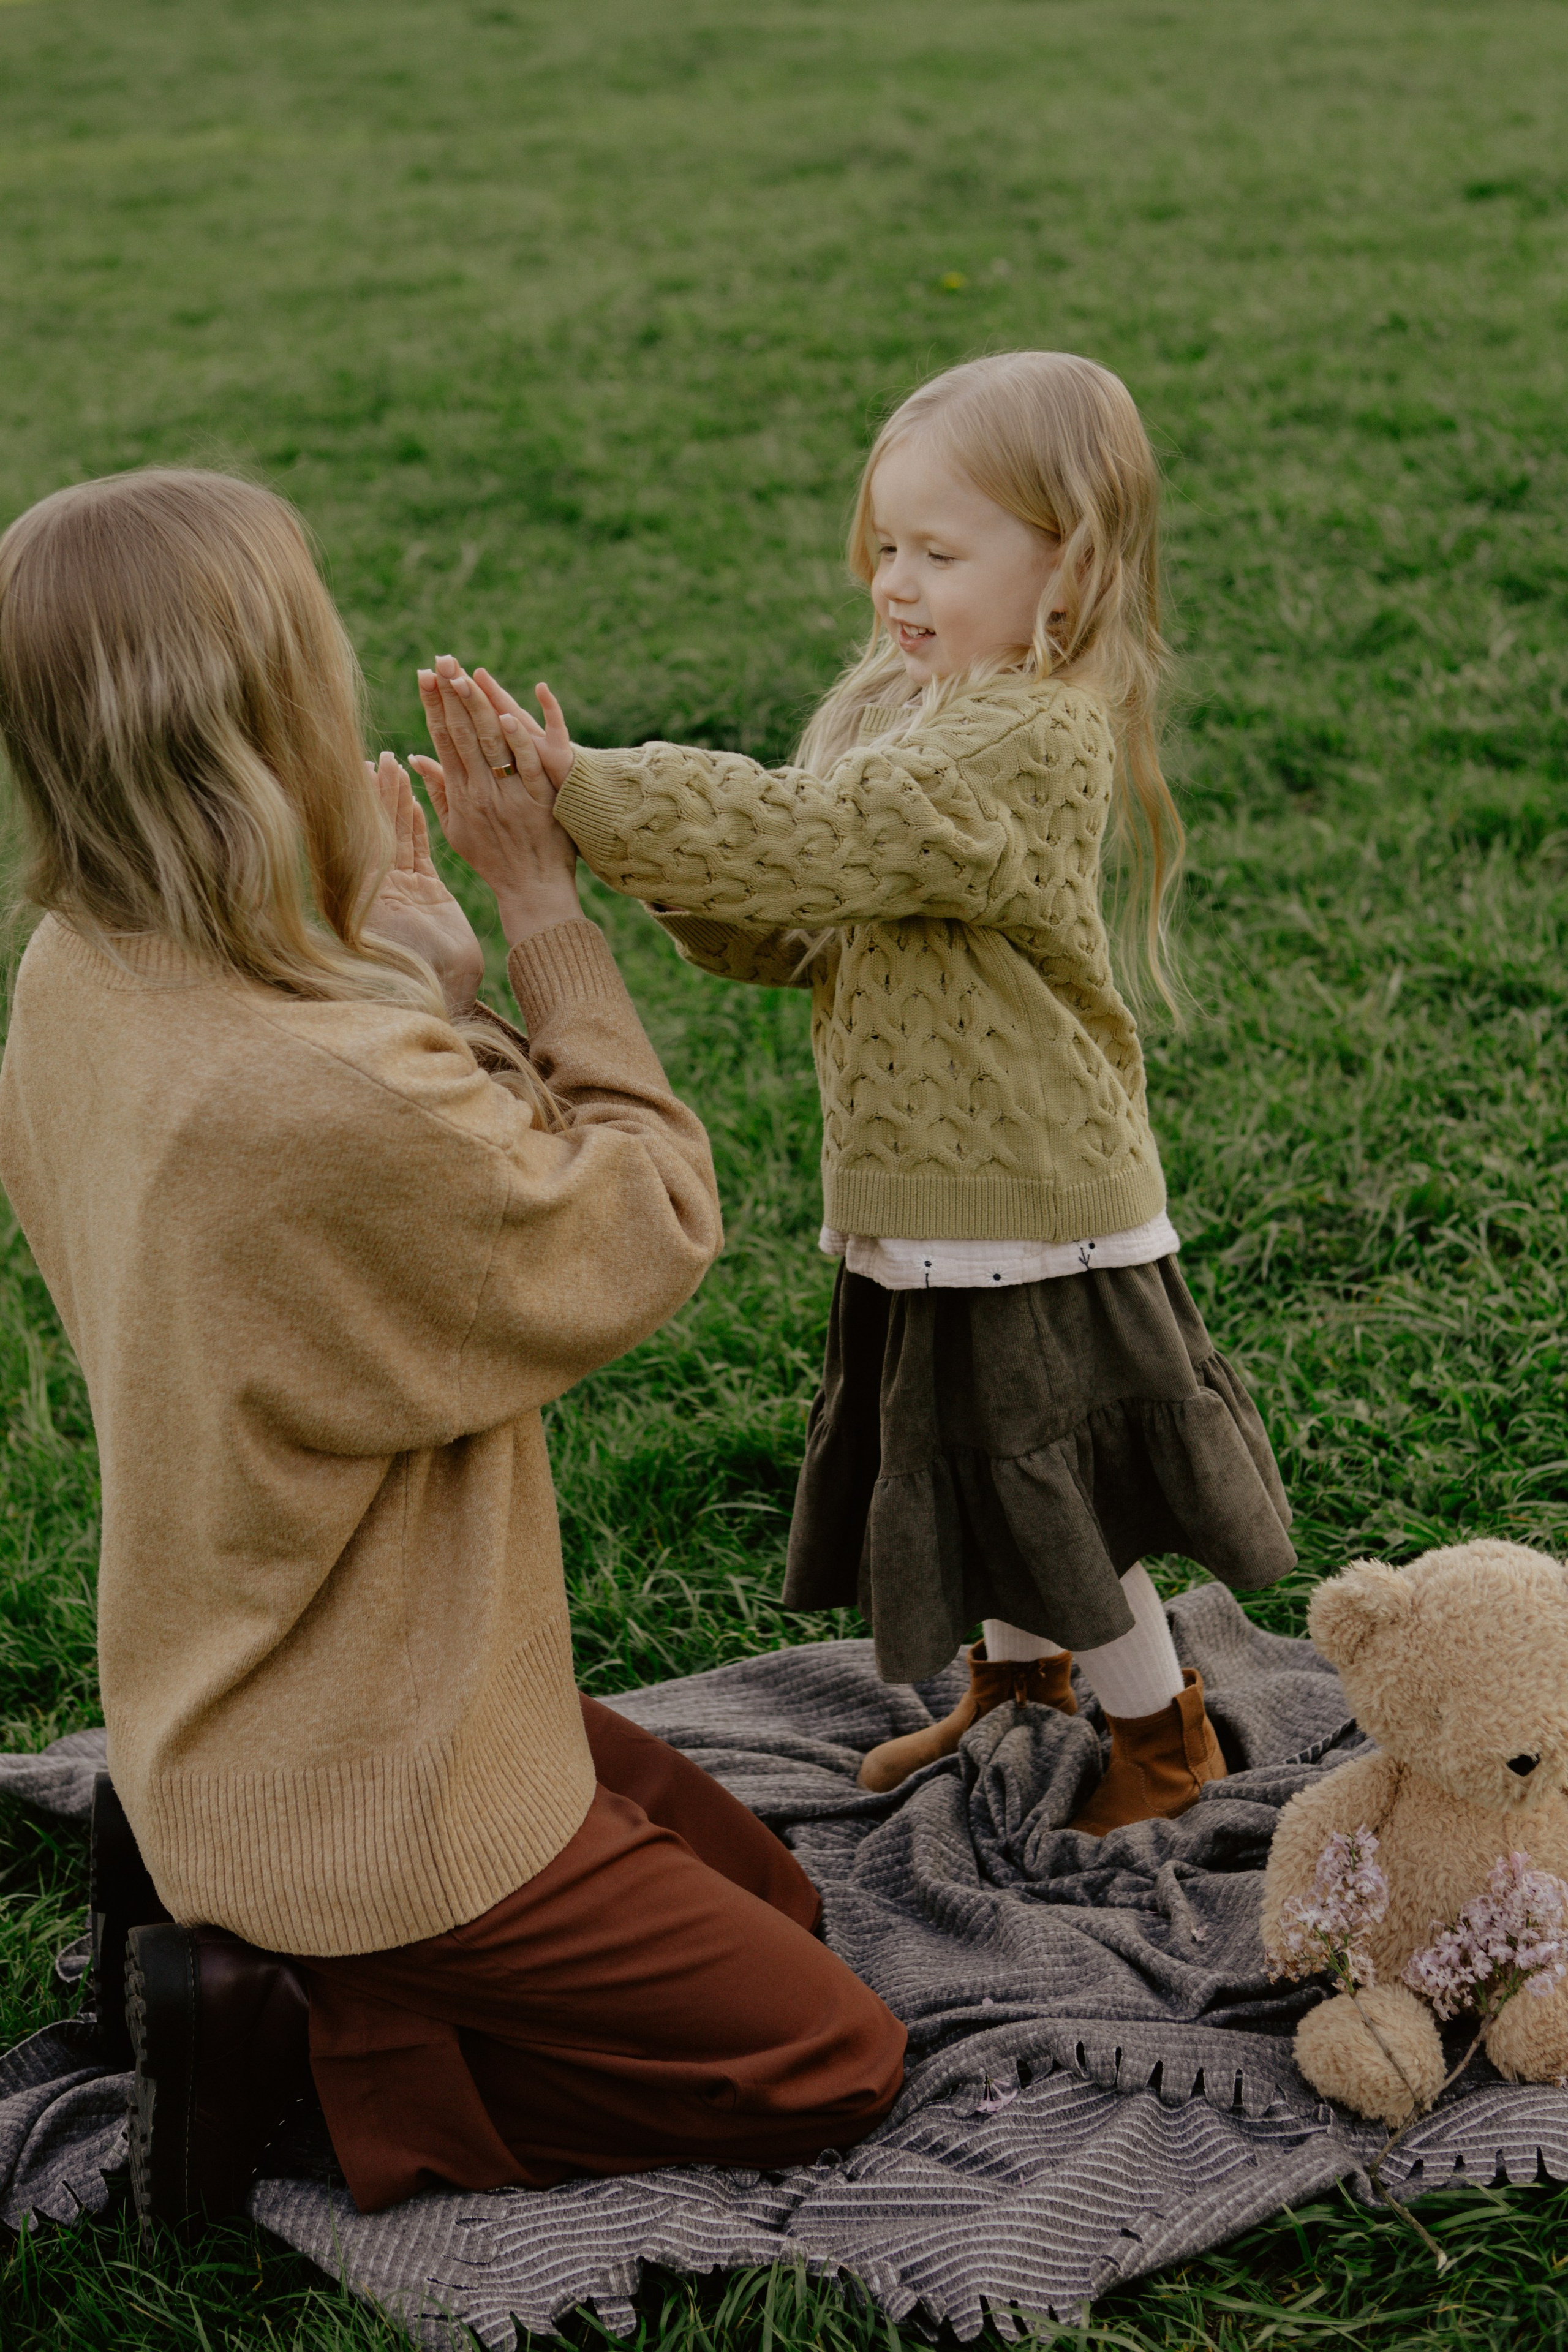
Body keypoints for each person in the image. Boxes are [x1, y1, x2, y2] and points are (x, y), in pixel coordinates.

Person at [0, 468, 905, 2225]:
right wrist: (529, 925)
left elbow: (341, 1175)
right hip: (366, 1791)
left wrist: (415, 991)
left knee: (774, 1903)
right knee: (829, 2057)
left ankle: (299, 1954)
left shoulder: (77, 965)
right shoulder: (323, 1093)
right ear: (265, 695)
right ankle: (305, 2050)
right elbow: (641, 1217)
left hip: (251, 1689)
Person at [417, 350, 1297, 1836]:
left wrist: (588, 787)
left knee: (1049, 1478)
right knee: (968, 1451)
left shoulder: (1023, 734)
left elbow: (817, 842)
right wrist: (620, 857)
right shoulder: (912, 712)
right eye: (883, 546)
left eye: (938, 554)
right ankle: (1023, 1691)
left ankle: (1163, 1736)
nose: (894, 580)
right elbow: (790, 920)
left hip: (1024, 1190)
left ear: (1066, 568)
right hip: (923, 1193)